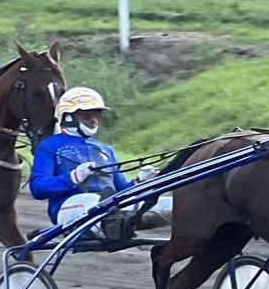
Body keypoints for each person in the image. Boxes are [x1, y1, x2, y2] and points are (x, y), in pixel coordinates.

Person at [29, 87, 169, 234]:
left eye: (97, 114)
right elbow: (38, 188)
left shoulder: (105, 149)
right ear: (68, 116)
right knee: (93, 201)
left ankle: (120, 224)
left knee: (170, 203)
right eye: (86, 115)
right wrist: (73, 177)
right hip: (69, 208)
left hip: (110, 206)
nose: (94, 120)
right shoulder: (49, 145)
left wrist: (140, 182)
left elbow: (121, 191)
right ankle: (113, 224)